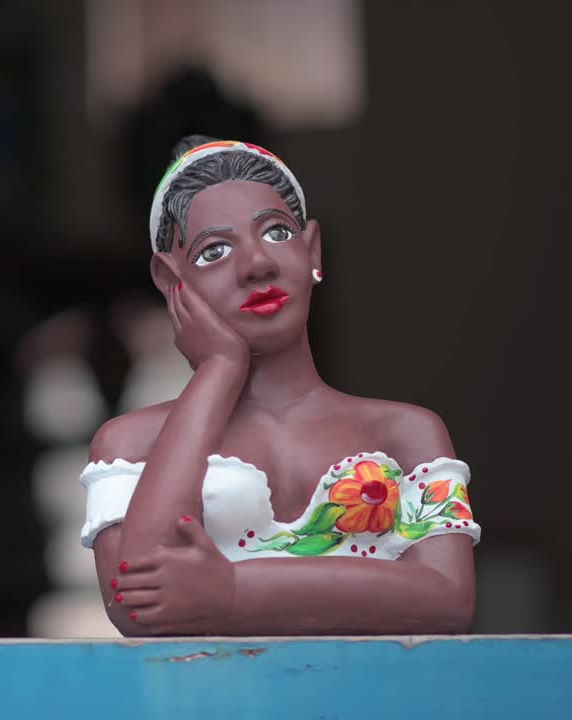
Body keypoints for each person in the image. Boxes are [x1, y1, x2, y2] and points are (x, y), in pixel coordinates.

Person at [80, 136, 478, 636]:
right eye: (214, 251)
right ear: (169, 279)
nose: (258, 264)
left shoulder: (408, 433)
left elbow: (449, 597)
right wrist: (219, 370)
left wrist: (233, 590)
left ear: (312, 249)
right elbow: (137, 603)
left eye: (276, 233)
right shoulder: (129, 446)